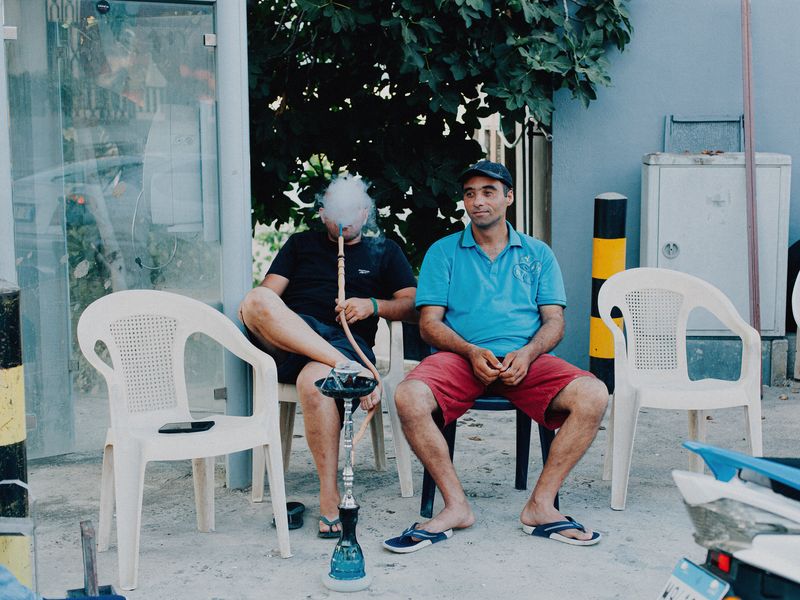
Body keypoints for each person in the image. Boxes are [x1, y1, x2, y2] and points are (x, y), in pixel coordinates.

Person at [383, 160, 608, 553]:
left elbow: (554, 321)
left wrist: (528, 351)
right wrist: (470, 350)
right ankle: (455, 506)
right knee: (408, 395)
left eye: (488, 192)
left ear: (509, 197)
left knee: (594, 394)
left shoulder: (538, 254)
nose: (477, 201)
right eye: (470, 193)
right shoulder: (443, 252)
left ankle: (541, 506)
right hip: (460, 357)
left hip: (526, 359)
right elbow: (429, 324)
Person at [239, 175, 417, 537]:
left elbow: (413, 306)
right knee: (255, 301)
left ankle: (328, 495)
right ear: (322, 214)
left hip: (345, 343)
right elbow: (263, 300)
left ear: (365, 213)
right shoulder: (300, 245)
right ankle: (347, 370)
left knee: (316, 383)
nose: (344, 220)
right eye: (336, 211)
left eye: (352, 211)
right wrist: (283, 323)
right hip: (294, 340)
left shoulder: (384, 250)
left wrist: (372, 305)